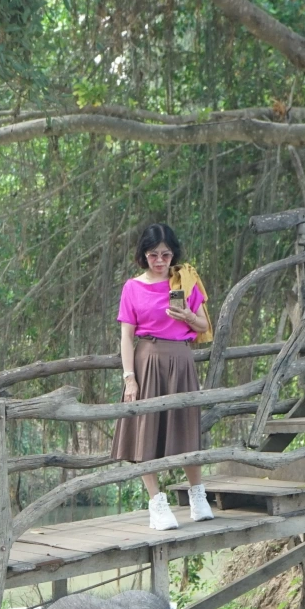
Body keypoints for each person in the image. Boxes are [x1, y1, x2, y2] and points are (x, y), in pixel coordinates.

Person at [113, 223, 214, 532]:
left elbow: (204, 326)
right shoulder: (132, 287)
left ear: (174, 254)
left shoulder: (184, 279)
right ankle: (157, 503)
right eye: (153, 254)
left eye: (166, 254)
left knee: (186, 427)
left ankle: (198, 496)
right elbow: (126, 337)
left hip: (181, 360)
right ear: (144, 255)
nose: (160, 261)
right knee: (145, 431)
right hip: (148, 361)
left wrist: (188, 316)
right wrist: (130, 378)